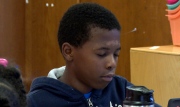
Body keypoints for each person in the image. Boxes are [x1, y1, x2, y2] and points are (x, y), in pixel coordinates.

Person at [27, 3, 161, 107]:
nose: (112, 63)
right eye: (102, 54)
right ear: (68, 51)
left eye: (116, 54)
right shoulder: (37, 101)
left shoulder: (124, 93)